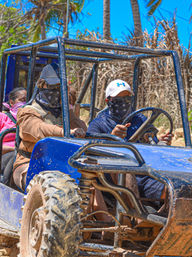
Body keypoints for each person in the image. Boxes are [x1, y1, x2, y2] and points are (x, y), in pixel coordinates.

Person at [87, 79, 173, 207]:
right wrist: (112, 137)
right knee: (125, 170)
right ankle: (136, 217)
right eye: (118, 100)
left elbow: (153, 145)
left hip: (144, 173)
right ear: (108, 101)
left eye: (127, 99)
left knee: (171, 189)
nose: (123, 104)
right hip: (114, 177)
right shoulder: (98, 124)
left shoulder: (140, 120)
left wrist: (162, 142)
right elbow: (89, 151)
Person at [12, 63, 87, 190]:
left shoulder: (64, 112)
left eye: (59, 87)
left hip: (61, 163)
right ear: (41, 85)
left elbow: (82, 128)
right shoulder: (27, 111)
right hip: (29, 163)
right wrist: (65, 132)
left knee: (92, 186)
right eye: (51, 86)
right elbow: (38, 129)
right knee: (50, 186)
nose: (55, 91)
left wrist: (77, 125)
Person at [0, 87, 27, 185]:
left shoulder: (30, 121)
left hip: (24, 156)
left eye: (28, 101)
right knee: (15, 155)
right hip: (0, 160)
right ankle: (6, 186)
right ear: (12, 102)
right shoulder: (0, 117)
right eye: (22, 100)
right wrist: (14, 149)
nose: (26, 104)